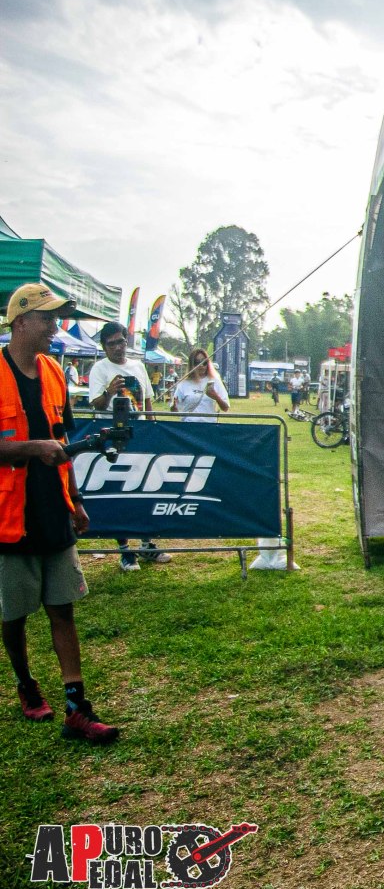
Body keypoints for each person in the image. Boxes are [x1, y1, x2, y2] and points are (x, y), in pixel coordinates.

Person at [1, 284, 118, 742]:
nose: (55, 326)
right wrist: (34, 449)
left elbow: (62, 442)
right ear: (21, 322)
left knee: (62, 608)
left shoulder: (53, 371)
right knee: (13, 614)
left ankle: (76, 707)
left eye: (56, 318)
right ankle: (26, 684)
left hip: (53, 507)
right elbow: (42, 444)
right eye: (47, 318)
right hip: (9, 517)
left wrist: (77, 500)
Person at [86, 321, 163, 571]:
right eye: (112, 344)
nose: (118, 347)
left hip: (140, 433)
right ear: (104, 346)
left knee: (146, 488)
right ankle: (125, 550)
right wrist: (109, 391)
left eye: (121, 341)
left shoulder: (138, 365)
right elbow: (96, 404)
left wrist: (152, 425)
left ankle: (147, 543)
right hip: (112, 436)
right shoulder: (99, 369)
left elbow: (148, 400)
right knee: (119, 490)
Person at [172, 348, 230, 421]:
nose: (201, 365)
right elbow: (174, 410)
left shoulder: (215, 380)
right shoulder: (184, 383)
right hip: (188, 425)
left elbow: (225, 408)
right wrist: (174, 406)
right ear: (192, 364)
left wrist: (215, 396)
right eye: (197, 362)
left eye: (204, 362)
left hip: (209, 425)